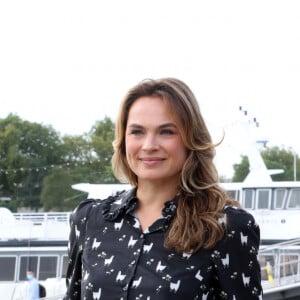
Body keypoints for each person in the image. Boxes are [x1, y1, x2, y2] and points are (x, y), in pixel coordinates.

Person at [64, 78, 263, 299]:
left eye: (166, 132)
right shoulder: (89, 219)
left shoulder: (226, 227)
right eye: (137, 132)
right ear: (123, 140)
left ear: (191, 139)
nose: (149, 145)